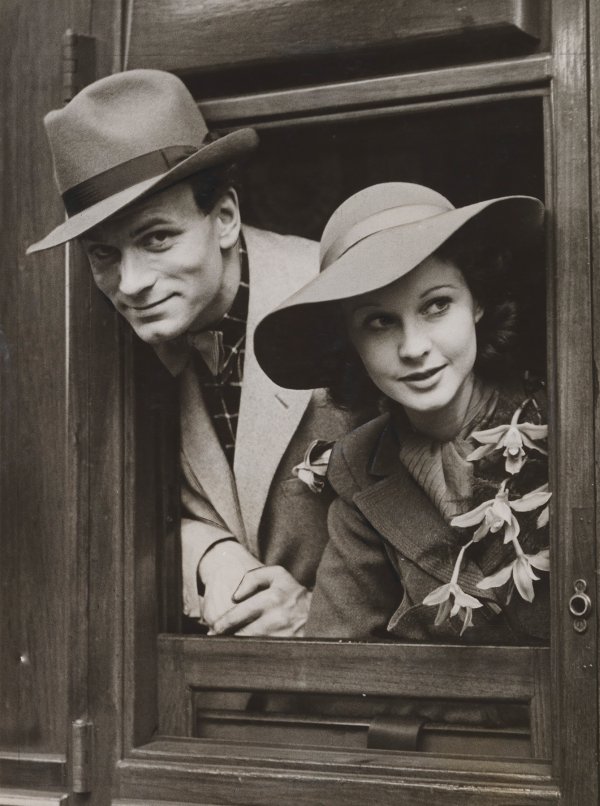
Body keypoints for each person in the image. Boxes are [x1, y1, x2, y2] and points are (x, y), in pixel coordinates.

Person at [27, 69, 363, 636]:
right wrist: (207, 550)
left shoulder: (342, 301)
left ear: (225, 218)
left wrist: (321, 614)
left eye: (157, 238)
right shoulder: (118, 344)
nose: (131, 283)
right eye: (104, 254)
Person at [254, 182, 550, 643]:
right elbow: (339, 656)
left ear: (478, 302)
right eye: (380, 322)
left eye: (436, 306)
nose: (414, 348)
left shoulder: (558, 421)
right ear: (350, 341)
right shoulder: (358, 467)